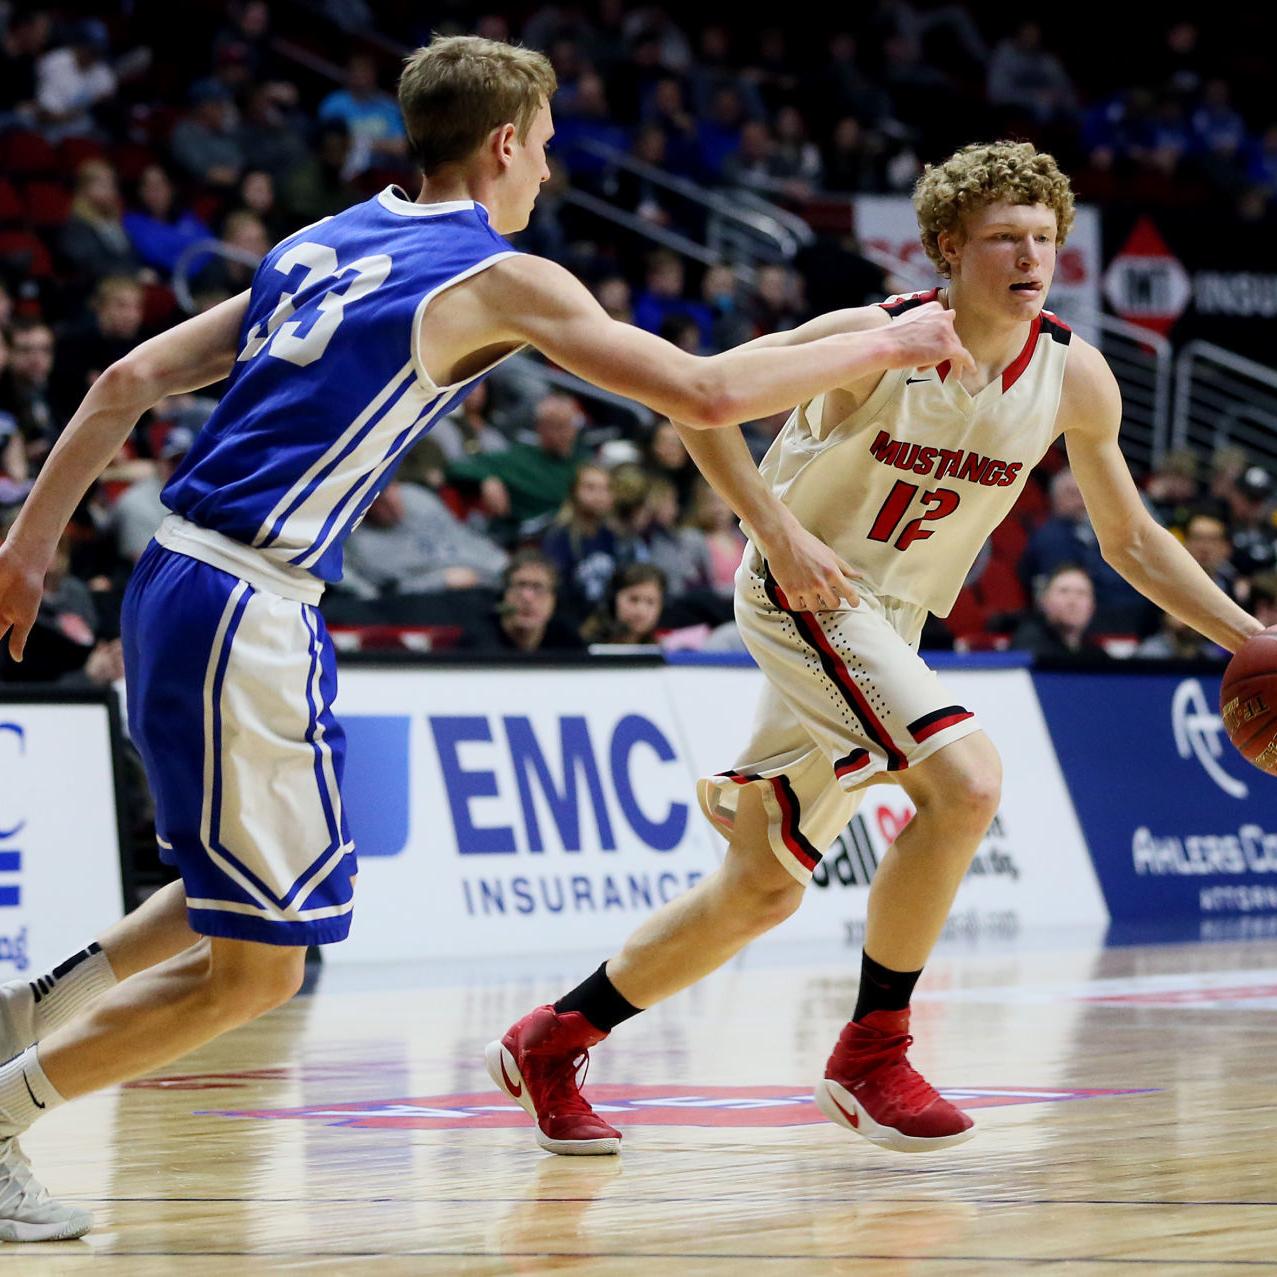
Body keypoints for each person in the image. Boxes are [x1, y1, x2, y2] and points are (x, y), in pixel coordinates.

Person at [0, 34, 967, 1238]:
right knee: (262, 968)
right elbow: (705, 393)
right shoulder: (499, 276)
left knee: (234, 894)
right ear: (504, 142)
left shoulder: (325, 239)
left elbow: (122, 382)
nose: (548, 173)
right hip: (245, 597)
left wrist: (28, 549)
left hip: (179, 579)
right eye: (546, 147)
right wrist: (886, 342)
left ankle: (25, 1012)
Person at [489, 140, 1267, 1162]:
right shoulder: (873, 336)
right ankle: (871, 1052)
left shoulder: (1072, 372)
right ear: (947, 247)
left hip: (887, 621)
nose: (1028, 257)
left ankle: (552, 1038)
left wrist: (1252, 638)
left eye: (1043, 238)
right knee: (966, 782)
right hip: (801, 590)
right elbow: (697, 399)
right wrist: (774, 530)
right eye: (1003, 237)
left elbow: (1128, 540)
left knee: (760, 888)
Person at [1009, 563, 1110, 660]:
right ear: (1044, 601)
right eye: (1063, 591)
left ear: (1092, 606)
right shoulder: (1029, 645)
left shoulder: (1096, 656)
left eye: (1081, 593)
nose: (1072, 601)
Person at [581, 562, 666, 645]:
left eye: (650, 602)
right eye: (633, 599)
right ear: (613, 600)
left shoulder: (662, 647)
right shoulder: (585, 645)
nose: (641, 610)